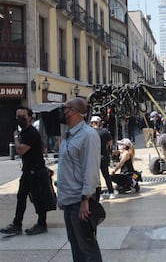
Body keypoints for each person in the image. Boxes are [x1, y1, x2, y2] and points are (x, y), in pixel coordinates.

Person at [56, 97, 103, 261]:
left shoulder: (88, 135)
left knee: (88, 249)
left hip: (80, 202)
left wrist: (85, 200)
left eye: (64, 108)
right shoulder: (69, 135)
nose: (62, 112)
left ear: (74, 112)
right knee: (76, 247)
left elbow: (91, 170)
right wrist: (61, 197)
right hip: (69, 201)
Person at [0, 106, 56, 236]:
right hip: (28, 171)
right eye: (18, 116)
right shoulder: (24, 132)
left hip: (36, 172)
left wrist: (15, 137)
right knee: (21, 197)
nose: (20, 119)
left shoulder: (30, 133)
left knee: (38, 198)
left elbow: (20, 150)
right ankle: (17, 224)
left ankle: (42, 224)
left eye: (23, 116)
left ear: (30, 118)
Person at [90, 116, 115, 200]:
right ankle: (111, 192)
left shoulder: (90, 133)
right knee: (106, 175)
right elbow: (110, 143)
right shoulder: (105, 131)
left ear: (93, 123)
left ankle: (99, 195)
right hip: (104, 156)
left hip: (94, 157)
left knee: (96, 177)